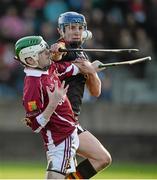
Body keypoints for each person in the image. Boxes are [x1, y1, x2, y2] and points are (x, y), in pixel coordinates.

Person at [50, 11, 112, 179]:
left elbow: (96, 92)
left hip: (71, 120)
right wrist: (56, 50)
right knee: (102, 158)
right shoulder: (63, 47)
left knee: (72, 171)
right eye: (71, 28)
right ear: (61, 31)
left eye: (79, 28)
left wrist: (91, 72)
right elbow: (57, 54)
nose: (76, 31)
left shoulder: (82, 53)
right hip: (60, 121)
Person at [15, 35, 83, 179]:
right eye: (43, 52)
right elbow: (34, 125)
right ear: (30, 60)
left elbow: (67, 68)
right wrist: (53, 103)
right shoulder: (33, 85)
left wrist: (88, 67)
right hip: (59, 141)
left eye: (46, 48)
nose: (48, 53)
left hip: (66, 136)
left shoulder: (47, 68)